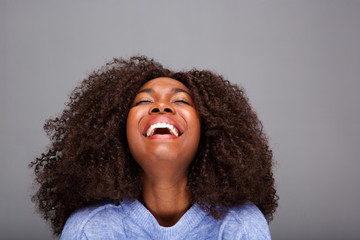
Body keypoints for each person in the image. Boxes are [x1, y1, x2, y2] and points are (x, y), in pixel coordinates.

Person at [30, 56, 278, 239]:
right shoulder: (89, 229)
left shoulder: (240, 226)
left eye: (180, 100)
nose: (161, 107)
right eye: (144, 101)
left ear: (209, 131)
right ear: (117, 132)